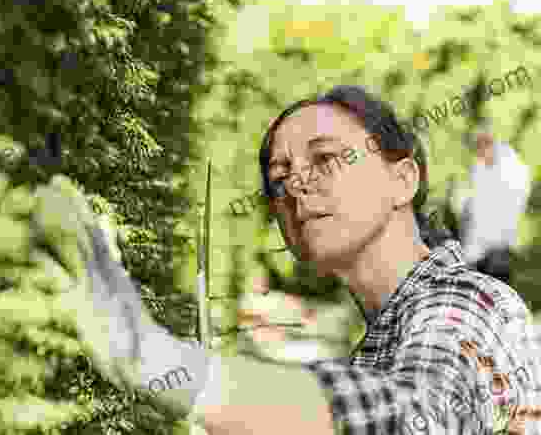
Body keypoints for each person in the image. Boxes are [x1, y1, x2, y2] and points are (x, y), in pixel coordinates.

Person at [53, 85, 541, 435]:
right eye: (278, 178)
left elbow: (422, 414)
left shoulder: (471, 304)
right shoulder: (388, 334)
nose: (295, 186)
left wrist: (155, 358)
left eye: (325, 158)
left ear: (403, 180)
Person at [460, 121, 532, 284]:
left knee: (498, 294)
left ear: (491, 143)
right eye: (477, 147)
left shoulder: (511, 168)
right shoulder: (479, 170)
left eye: (483, 145)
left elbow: (512, 205)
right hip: (477, 253)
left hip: (498, 249)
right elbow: (472, 212)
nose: (479, 151)